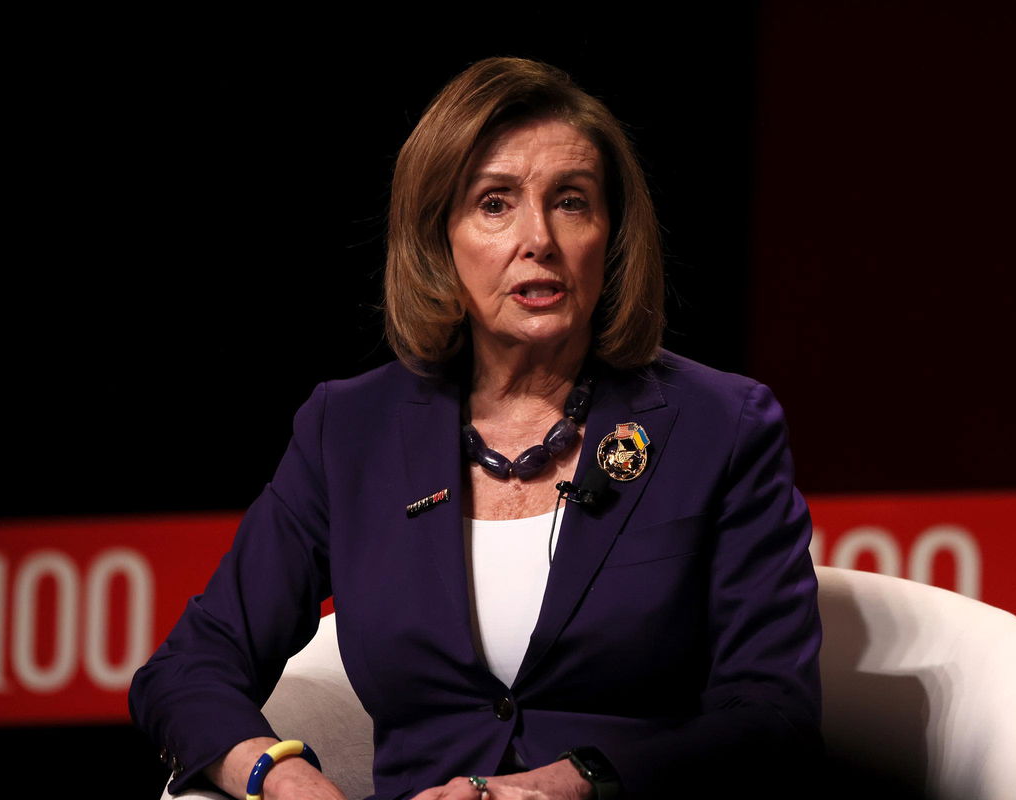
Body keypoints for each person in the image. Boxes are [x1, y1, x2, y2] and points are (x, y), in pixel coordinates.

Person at [130, 57, 822, 800]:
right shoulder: (351, 430)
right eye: (495, 203)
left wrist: (572, 783)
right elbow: (189, 669)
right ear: (440, 238)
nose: (540, 240)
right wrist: (280, 776)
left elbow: (772, 712)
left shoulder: (719, 424)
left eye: (572, 202)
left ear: (611, 235)